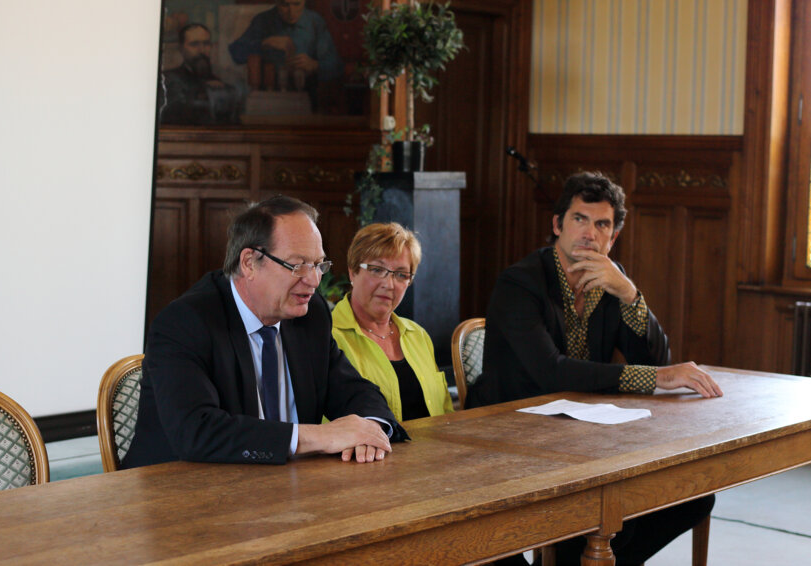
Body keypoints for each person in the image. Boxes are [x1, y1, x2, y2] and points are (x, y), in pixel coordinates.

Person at [466, 171, 722, 565]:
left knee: (693, 498)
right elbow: (552, 372)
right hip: (507, 436)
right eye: (579, 219)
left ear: (613, 237)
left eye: (602, 224)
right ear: (557, 225)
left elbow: (655, 360)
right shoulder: (519, 283)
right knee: (606, 520)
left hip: (581, 438)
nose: (589, 233)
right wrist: (657, 378)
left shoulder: (611, 280)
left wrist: (630, 294)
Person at [123, 196, 406, 469]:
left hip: (284, 487)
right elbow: (197, 431)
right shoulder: (186, 322)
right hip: (179, 489)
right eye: (298, 265)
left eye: (319, 265)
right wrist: (318, 436)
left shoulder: (310, 314)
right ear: (249, 263)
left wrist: (369, 430)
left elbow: (354, 391)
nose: (313, 280)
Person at [332, 223, 453, 421]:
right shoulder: (329, 336)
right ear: (353, 271)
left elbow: (446, 412)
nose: (389, 285)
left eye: (400, 275)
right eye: (377, 270)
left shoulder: (418, 335)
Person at [228, 0, 343, 90]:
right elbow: (235, 54)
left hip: (305, 97)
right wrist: (263, 43)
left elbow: (336, 67)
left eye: (296, 4)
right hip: (268, 96)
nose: (291, 12)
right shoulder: (263, 21)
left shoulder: (315, 22)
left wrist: (315, 65)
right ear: (276, 2)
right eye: (284, 5)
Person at [160, 23, 240, 125]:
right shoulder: (167, 80)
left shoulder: (222, 84)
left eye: (206, 44)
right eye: (194, 44)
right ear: (181, 49)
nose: (202, 50)